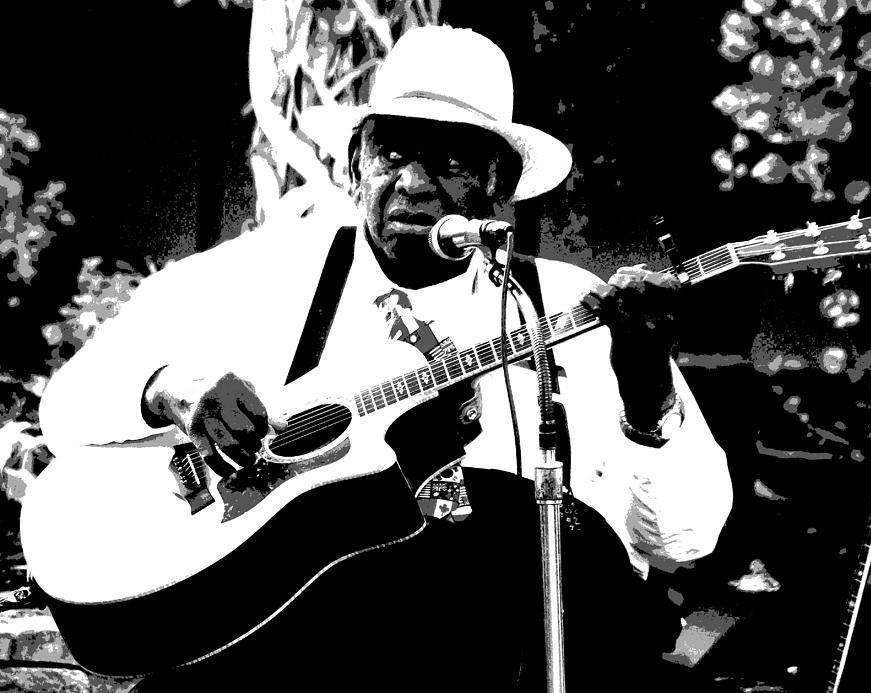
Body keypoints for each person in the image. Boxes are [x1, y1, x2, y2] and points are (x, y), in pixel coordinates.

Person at [37, 26, 732, 692]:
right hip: (306, 643)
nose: (413, 184)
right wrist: (174, 391)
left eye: (450, 161)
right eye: (391, 154)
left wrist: (646, 393)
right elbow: (66, 405)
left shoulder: (573, 309)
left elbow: (685, 538)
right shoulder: (259, 275)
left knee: (507, 520)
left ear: (503, 185)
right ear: (352, 166)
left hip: (541, 642)